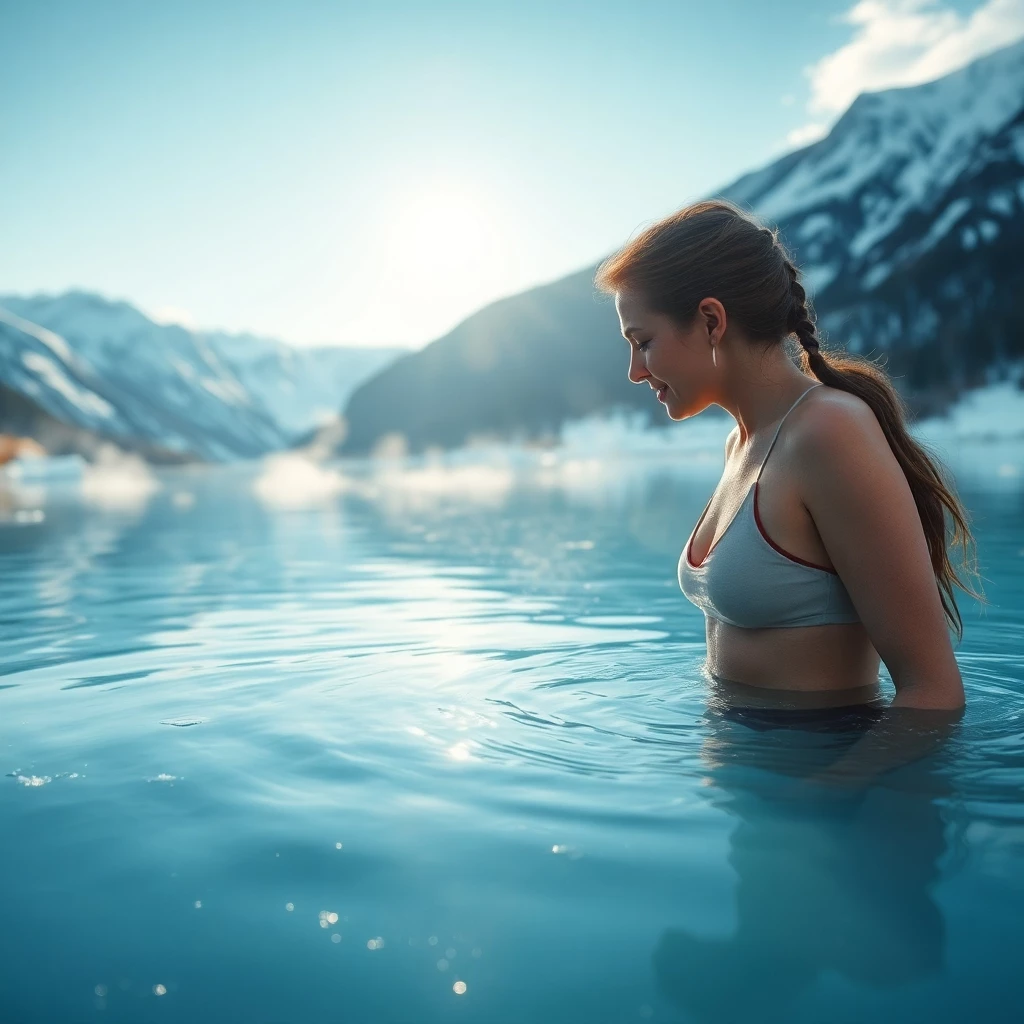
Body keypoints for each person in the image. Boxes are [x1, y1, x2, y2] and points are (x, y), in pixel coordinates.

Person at [596, 200, 977, 724]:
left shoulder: (828, 432)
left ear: (710, 321)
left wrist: (825, 795)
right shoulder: (742, 444)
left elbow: (933, 692)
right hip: (754, 791)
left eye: (642, 342)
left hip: (820, 787)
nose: (635, 372)